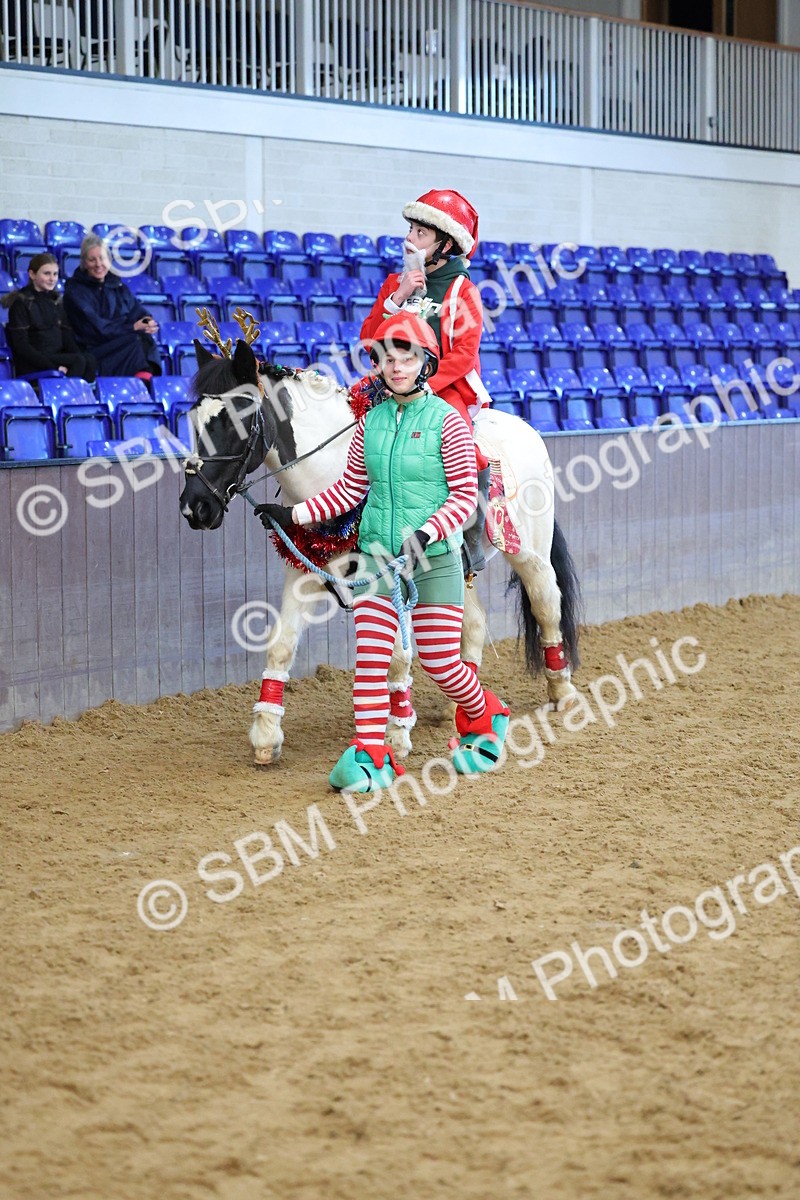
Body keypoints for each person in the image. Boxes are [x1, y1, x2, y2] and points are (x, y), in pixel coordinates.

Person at [255, 313, 510, 793]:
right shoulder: (369, 422)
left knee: (440, 664)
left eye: (405, 356)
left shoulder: (447, 422)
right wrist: (293, 516)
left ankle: (484, 713)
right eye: (387, 357)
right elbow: (350, 491)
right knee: (371, 658)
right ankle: (372, 752)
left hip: (431, 559)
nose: (394, 366)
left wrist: (427, 535)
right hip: (376, 557)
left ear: (425, 362)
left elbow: (461, 498)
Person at [360, 189, 492, 573]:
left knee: (469, 450)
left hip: (443, 387)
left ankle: (469, 546)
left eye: (420, 233)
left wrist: (425, 389)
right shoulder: (393, 283)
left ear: (444, 244)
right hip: (391, 382)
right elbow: (369, 338)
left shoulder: (462, 290)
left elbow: (465, 353)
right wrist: (397, 297)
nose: (410, 239)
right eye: (411, 230)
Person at [63, 234, 161, 378]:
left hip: (120, 342)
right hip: (94, 349)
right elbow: (97, 329)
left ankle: (148, 383)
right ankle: (143, 383)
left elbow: (137, 311)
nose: (98, 264)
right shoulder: (75, 291)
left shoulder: (117, 285)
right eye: (92, 260)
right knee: (135, 340)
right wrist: (132, 328)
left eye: (102, 258)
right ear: (84, 263)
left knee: (145, 337)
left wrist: (147, 322)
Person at [2, 253, 96, 381]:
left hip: (55, 356)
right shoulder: (21, 303)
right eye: (46, 274)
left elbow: (67, 337)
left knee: (89, 359)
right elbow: (22, 347)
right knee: (78, 360)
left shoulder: (56, 301)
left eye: (55, 274)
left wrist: (79, 357)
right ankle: (66, 398)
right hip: (32, 362)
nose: (52, 279)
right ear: (32, 274)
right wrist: (53, 367)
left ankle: (84, 398)